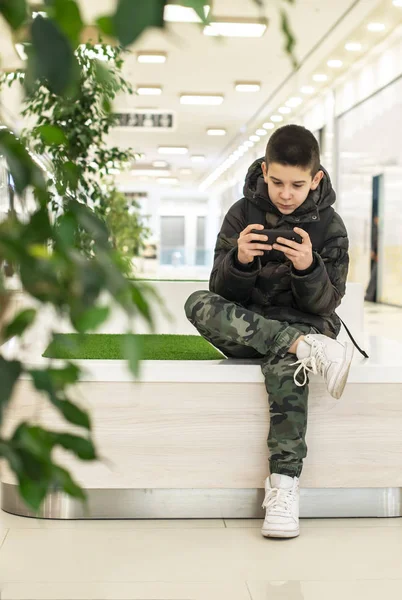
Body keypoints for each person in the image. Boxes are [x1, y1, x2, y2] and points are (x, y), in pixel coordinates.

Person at [184, 124, 354, 540]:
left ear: (316, 178)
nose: (285, 193)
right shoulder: (241, 213)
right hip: (255, 331)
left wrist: (308, 268)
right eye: (276, 181)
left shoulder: (331, 227)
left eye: (297, 184)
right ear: (263, 170)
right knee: (196, 303)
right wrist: (239, 261)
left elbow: (327, 305)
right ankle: (299, 347)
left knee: (287, 364)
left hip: (306, 324)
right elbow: (219, 294)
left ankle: (284, 488)